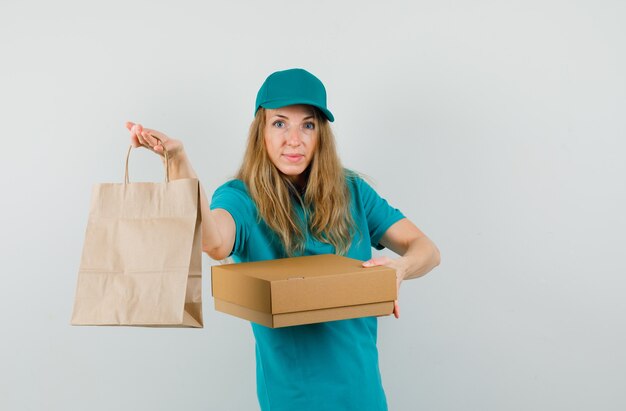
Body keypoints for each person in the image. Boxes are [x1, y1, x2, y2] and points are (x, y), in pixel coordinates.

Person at [126, 68, 440, 411]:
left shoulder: (352, 192)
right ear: (260, 131)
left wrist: (399, 270)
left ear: (321, 133)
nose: (295, 139)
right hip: (293, 400)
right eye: (279, 123)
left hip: (363, 396)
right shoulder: (241, 199)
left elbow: (426, 250)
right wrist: (180, 161)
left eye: (307, 125)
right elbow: (213, 241)